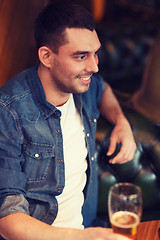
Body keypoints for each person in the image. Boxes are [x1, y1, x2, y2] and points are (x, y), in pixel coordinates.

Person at [0, 1, 136, 239]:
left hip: (90, 225)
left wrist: (122, 122)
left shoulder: (83, 85)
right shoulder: (8, 111)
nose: (94, 67)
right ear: (46, 56)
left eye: (95, 53)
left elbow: (103, 90)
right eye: (81, 56)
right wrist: (86, 237)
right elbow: (8, 221)